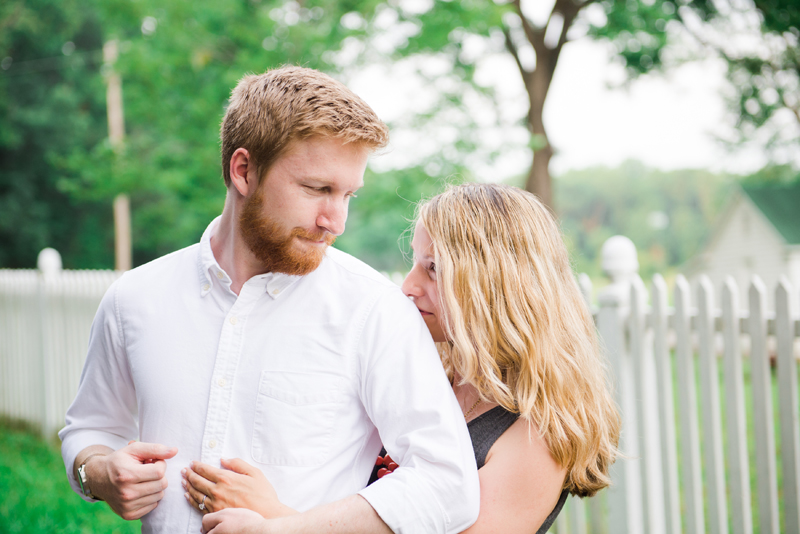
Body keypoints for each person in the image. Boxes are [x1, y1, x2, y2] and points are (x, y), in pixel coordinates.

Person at [58, 66, 480, 534]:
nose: (334, 221)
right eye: (317, 189)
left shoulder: (375, 311)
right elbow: (89, 429)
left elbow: (448, 486)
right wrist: (96, 472)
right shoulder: (134, 298)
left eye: (348, 195)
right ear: (243, 171)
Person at [186, 183, 621, 534]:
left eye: (433, 269)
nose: (408, 286)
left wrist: (277, 518)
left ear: (496, 284)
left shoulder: (536, 437)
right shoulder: (429, 374)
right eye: (415, 263)